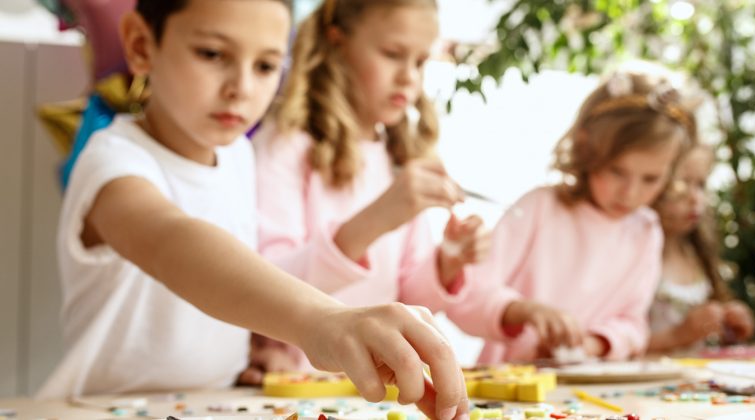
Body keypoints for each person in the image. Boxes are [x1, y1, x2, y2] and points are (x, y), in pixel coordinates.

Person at [38, 2, 469, 418]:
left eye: (265, 66)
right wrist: (323, 320)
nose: (241, 88)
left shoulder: (238, 156)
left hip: (214, 404)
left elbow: (234, 288)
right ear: (140, 45)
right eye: (212, 54)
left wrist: (257, 350)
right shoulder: (111, 161)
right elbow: (173, 242)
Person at [246, 0, 490, 380]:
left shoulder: (394, 157)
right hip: (292, 382)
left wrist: (447, 262)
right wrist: (377, 218)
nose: (409, 77)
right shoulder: (285, 147)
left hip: (367, 388)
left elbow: (406, 301)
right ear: (338, 43)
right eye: (393, 54)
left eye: (420, 62)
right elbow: (262, 287)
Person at [446, 70, 698, 363]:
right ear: (586, 147)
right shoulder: (539, 208)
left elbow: (633, 323)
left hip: (593, 393)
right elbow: (468, 296)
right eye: (617, 171)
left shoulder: (645, 231)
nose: (630, 193)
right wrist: (523, 311)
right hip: (508, 392)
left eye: (650, 179)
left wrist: (590, 345)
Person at [647, 144, 755, 353]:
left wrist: (729, 324)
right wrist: (678, 335)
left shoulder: (696, 252)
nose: (695, 199)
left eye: (701, 185)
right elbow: (618, 342)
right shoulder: (635, 257)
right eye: (681, 184)